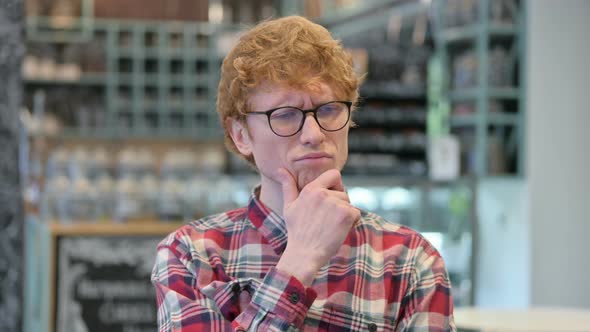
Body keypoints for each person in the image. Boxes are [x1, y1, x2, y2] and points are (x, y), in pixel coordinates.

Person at [151, 15, 456, 331]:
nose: (313, 133)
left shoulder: (409, 260)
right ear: (241, 135)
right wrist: (298, 263)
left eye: (329, 110)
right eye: (285, 115)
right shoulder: (193, 255)